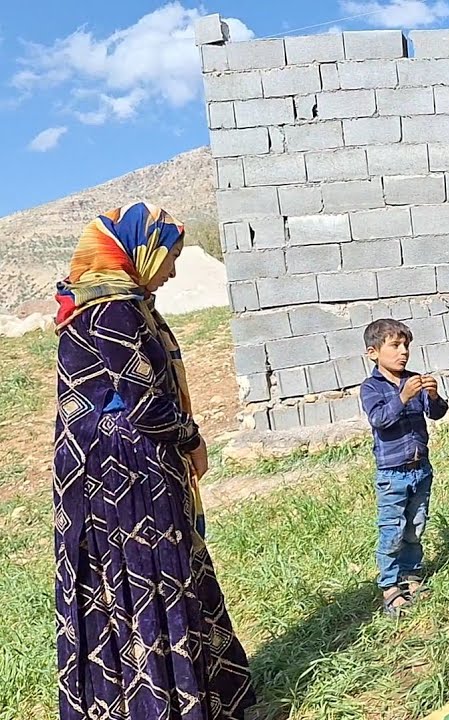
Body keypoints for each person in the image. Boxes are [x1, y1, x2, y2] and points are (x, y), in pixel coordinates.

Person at [52, 203, 254, 719]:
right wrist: (190, 438)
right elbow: (143, 399)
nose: (173, 270)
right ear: (138, 253)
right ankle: (168, 704)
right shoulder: (115, 310)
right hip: (127, 466)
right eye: (170, 257)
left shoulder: (98, 305)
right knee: (152, 576)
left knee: (126, 580)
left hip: (100, 466)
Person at [359, 318, 449, 617]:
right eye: (395, 346)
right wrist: (403, 397)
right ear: (373, 352)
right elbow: (380, 420)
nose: (403, 352)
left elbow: (436, 414)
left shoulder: (414, 379)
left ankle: (411, 575)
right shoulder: (371, 388)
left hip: (420, 468)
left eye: (406, 346)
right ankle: (389, 587)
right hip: (392, 474)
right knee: (392, 530)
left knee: (415, 525)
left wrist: (434, 396)